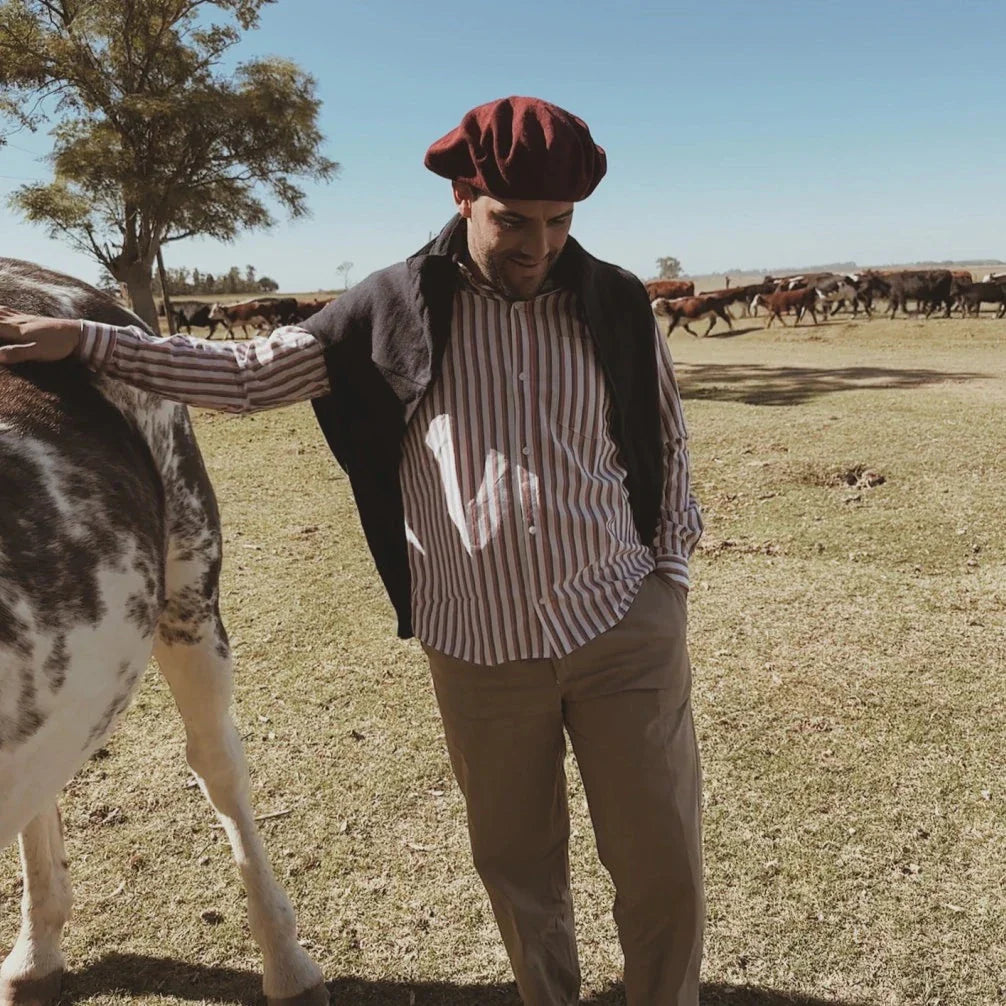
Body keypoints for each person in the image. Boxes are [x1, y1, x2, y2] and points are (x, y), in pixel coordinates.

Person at [0, 96, 705, 1006]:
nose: (539, 245)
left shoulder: (615, 303)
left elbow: (668, 443)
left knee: (661, 865)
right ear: (464, 194)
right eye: (514, 221)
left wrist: (669, 582)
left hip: (621, 626)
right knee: (519, 870)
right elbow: (249, 375)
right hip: (480, 646)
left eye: (560, 222)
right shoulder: (391, 306)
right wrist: (90, 339)